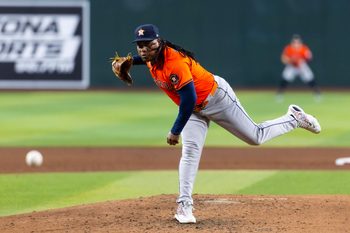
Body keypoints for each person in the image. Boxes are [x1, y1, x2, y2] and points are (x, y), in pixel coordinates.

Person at [122, 24, 321, 224]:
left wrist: (175, 131)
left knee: (256, 137)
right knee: (190, 151)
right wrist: (130, 61)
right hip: (194, 110)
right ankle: (184, 205)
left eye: (149, 44)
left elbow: (189, 99)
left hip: (217, 99)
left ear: (160, 42)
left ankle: (293, 118)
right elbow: (147, 61)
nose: (144, 49)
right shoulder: (152, 58)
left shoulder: (175, 62)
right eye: (140, 45)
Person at [277, 34, 321, 101]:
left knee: (310, 78)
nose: (296, 44)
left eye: (297, 42)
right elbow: (283, 59)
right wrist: (290, 60)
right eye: (294, 42)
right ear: (292, 42)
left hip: (301, 65)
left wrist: (302, 59)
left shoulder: (304, 48)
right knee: (285, 78)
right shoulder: (289, 48)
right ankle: (279, 94)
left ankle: (317, 94)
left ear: (300, 42)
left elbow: (309, 57)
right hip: (292, 66)